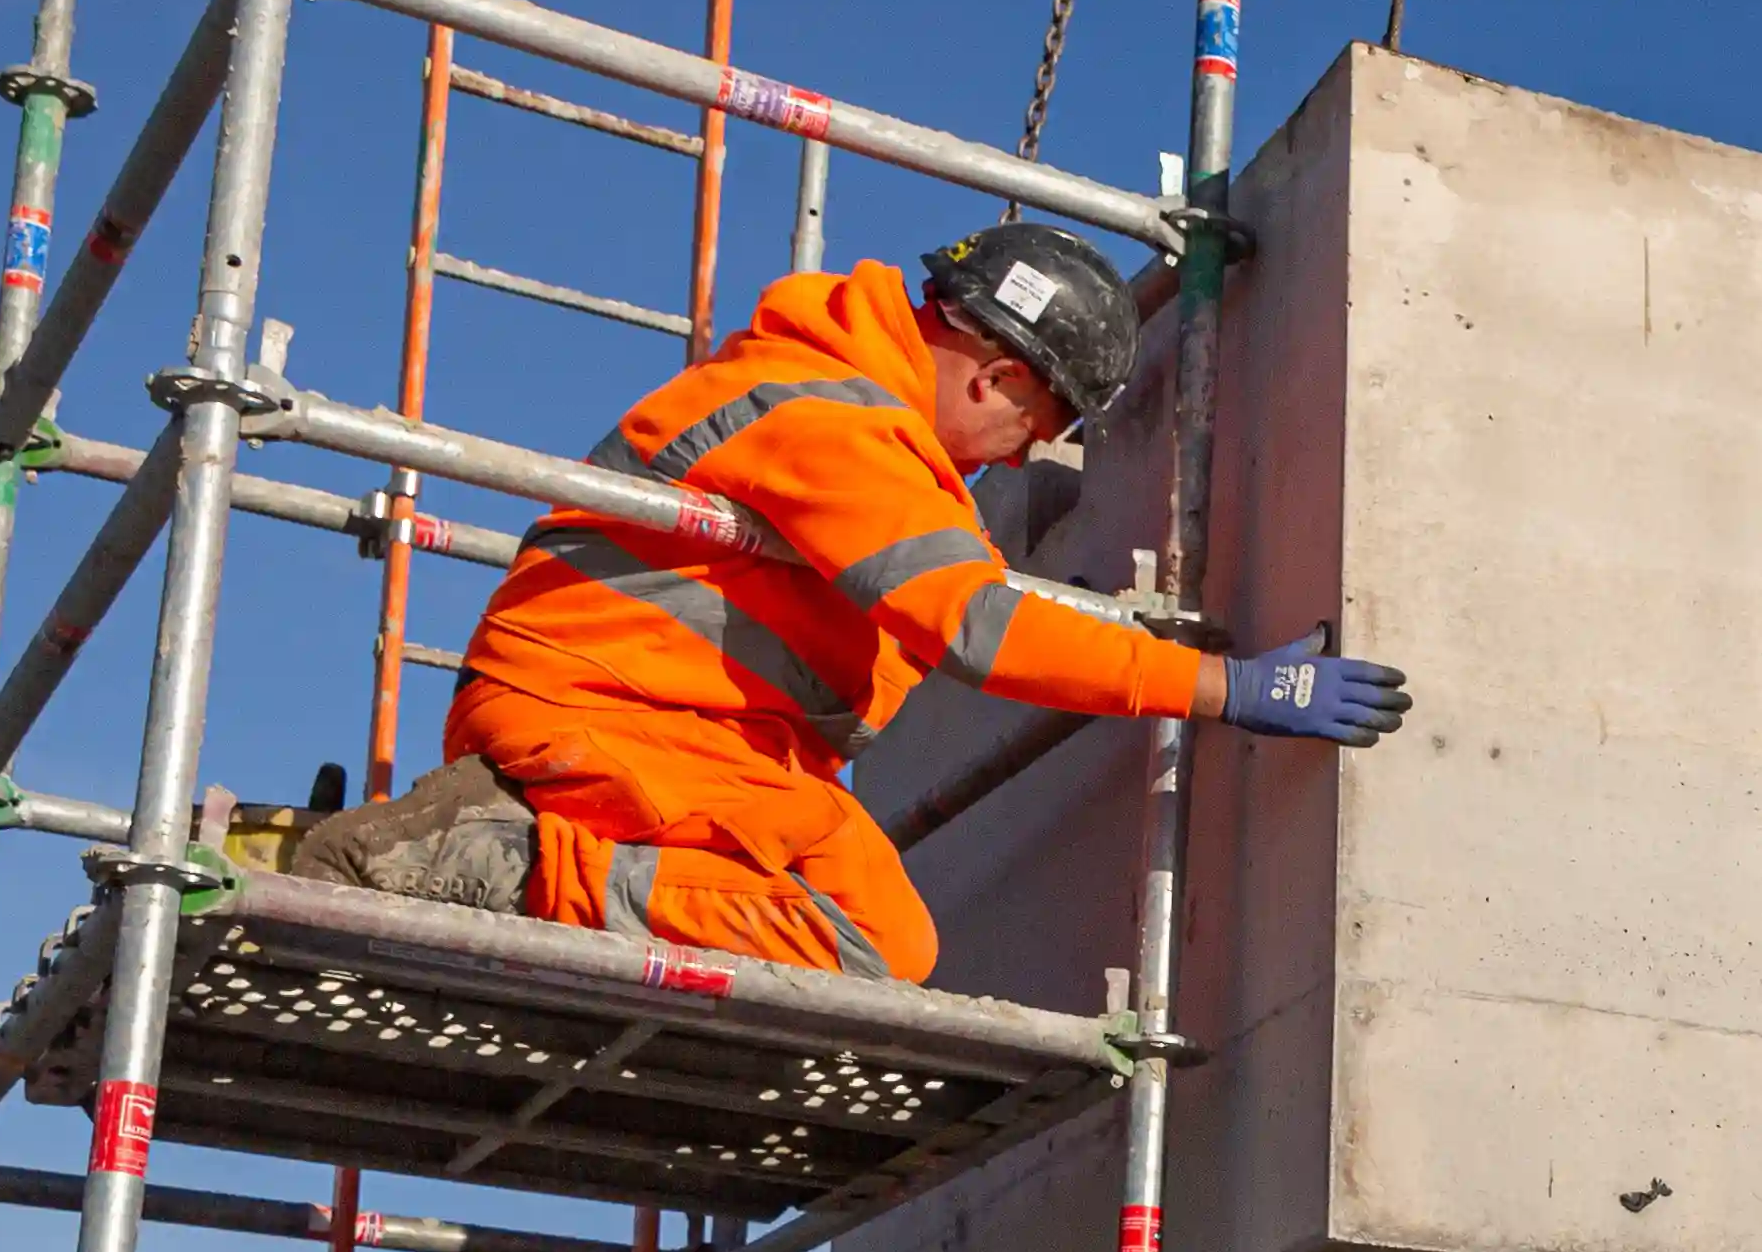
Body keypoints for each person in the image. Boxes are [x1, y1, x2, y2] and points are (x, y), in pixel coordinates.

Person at [283, 223, 1408, 979]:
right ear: (999, 375)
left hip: (683, 738)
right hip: (602, 722)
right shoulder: (838, 425)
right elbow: (981, 626)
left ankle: (470, 845)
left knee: (854, 917)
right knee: (869, 935)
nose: (1023, 463)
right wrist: (1228, 686)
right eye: (1042, 427)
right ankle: (495, 864)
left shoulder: (850, 416)